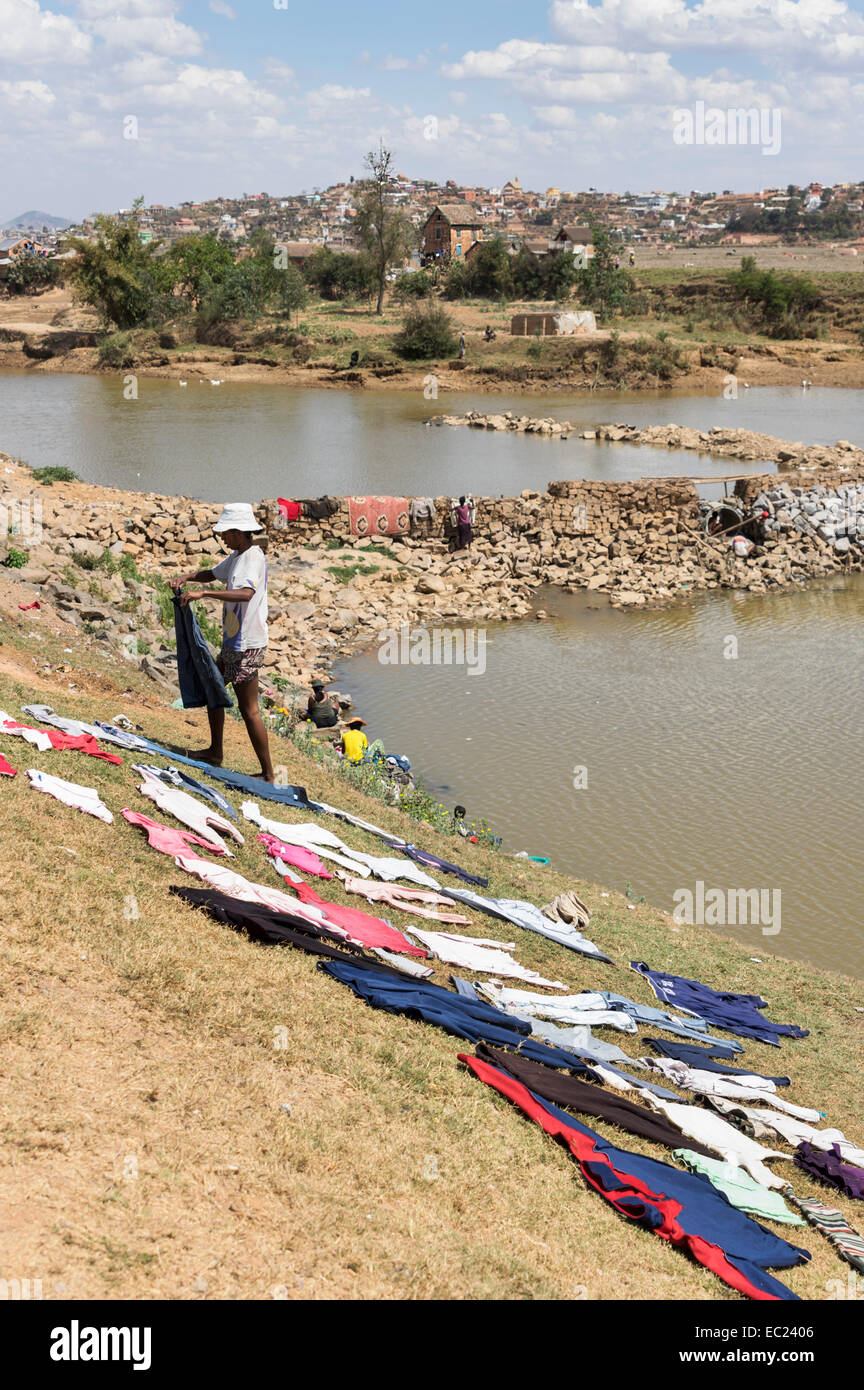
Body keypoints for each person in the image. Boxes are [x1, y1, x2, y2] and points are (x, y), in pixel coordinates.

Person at [172, 502, 274, 782]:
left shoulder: (252, 556)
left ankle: (268, 774)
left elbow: (245, 594)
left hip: (248, 644)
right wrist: (188, 577)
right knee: (213, 689)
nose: (222, 537)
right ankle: (215, 751)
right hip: (233, 641)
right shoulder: (237, 554)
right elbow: (213, 574)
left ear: (239, 532)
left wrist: (203, 595)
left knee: (248, 709)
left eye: (225, 533)